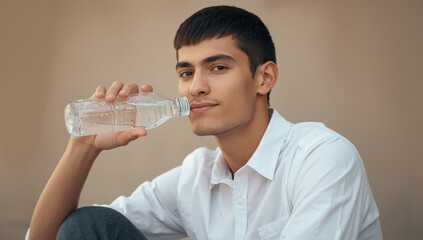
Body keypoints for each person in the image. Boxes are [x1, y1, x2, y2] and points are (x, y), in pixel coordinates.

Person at [27, 5, 383, 240]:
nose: (196, 87)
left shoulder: (323, 158)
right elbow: (52, 235)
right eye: (186, 71)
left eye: (218, 67)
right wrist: (83, 147)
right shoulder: (195, 176)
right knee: (87, 224)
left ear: (264, 78)